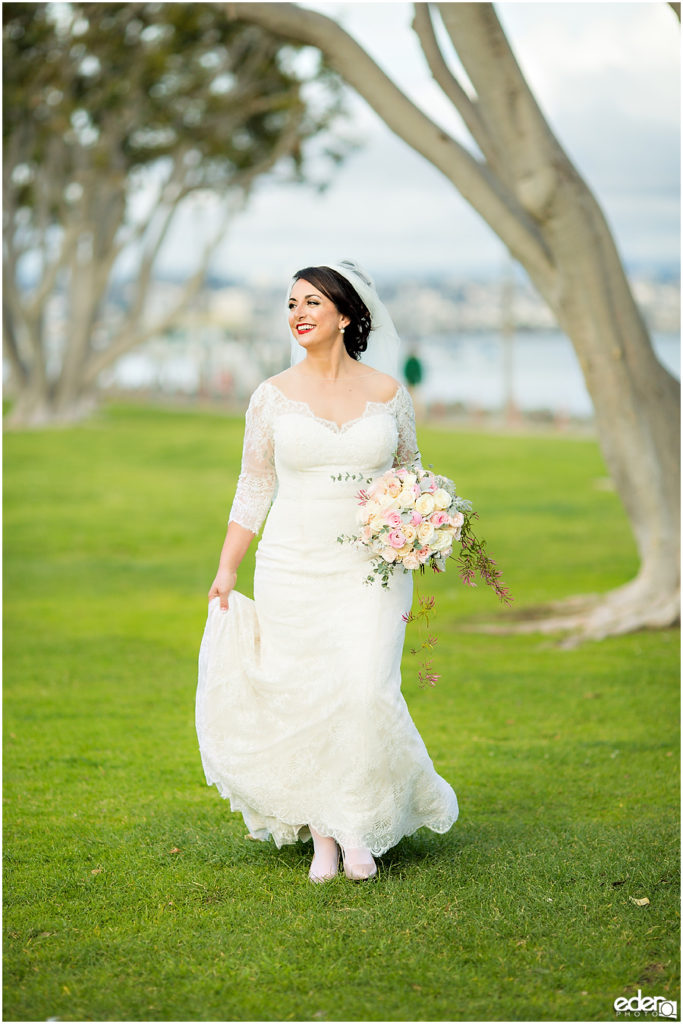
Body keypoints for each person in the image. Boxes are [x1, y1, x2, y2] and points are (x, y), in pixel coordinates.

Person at [196, 259, 458, 883]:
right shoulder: (271, 396)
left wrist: (423, 520)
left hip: (373, 570)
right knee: (308, 694)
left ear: (345, 315)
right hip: (292, 563)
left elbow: (410, 473)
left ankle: (358, 823)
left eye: (312, 303)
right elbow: (253, 485)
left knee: (366, 690)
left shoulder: (390, 394)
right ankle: (325, 836)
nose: (299, 315)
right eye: (291, 305)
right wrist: (227, 568)